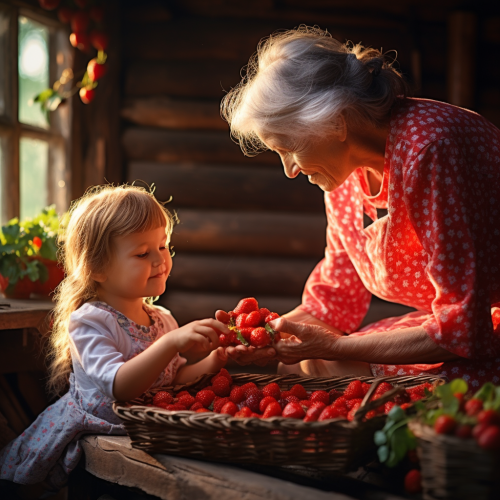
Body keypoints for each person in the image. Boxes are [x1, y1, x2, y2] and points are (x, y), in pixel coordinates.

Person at [219, 26, 500, 387]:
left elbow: (462, 327)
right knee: (298, 365)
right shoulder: (343, 171)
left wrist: (336, 346)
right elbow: (334, 299)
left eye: (289, 148)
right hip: (467, 326)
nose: (289, 170)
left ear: (335, 121)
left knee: (344, 369)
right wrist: (270, 338)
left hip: (479, 327)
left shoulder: (430, 149)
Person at [0, 185, 229, 494]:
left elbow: (173, 381)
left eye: (164, 246)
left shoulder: (162, 319)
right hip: (98, 434)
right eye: (142, 253)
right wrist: (171, 343)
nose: (160, 260)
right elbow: (119, 386)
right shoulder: (91, 321)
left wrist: (217, 359)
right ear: (97, 268)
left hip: (147, 431)